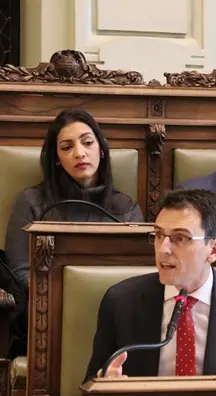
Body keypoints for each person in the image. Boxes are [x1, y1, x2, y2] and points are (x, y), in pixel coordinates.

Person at [84, 189, 216, 380]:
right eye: (159, 235)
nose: (163, 249)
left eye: (180, 238)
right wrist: (105, 385)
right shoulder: (121, 302)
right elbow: (91, 384)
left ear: (214, 249)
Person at [4, 108, 143, 356]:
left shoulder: (126, 208)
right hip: (48, 313)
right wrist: (68, 296)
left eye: (87, 143)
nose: (79, 153)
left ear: (101, 149)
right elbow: (19, 271)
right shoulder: (32, 202)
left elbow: (138, 272)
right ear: (57, 158)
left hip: (114, 312)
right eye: (67, 147)